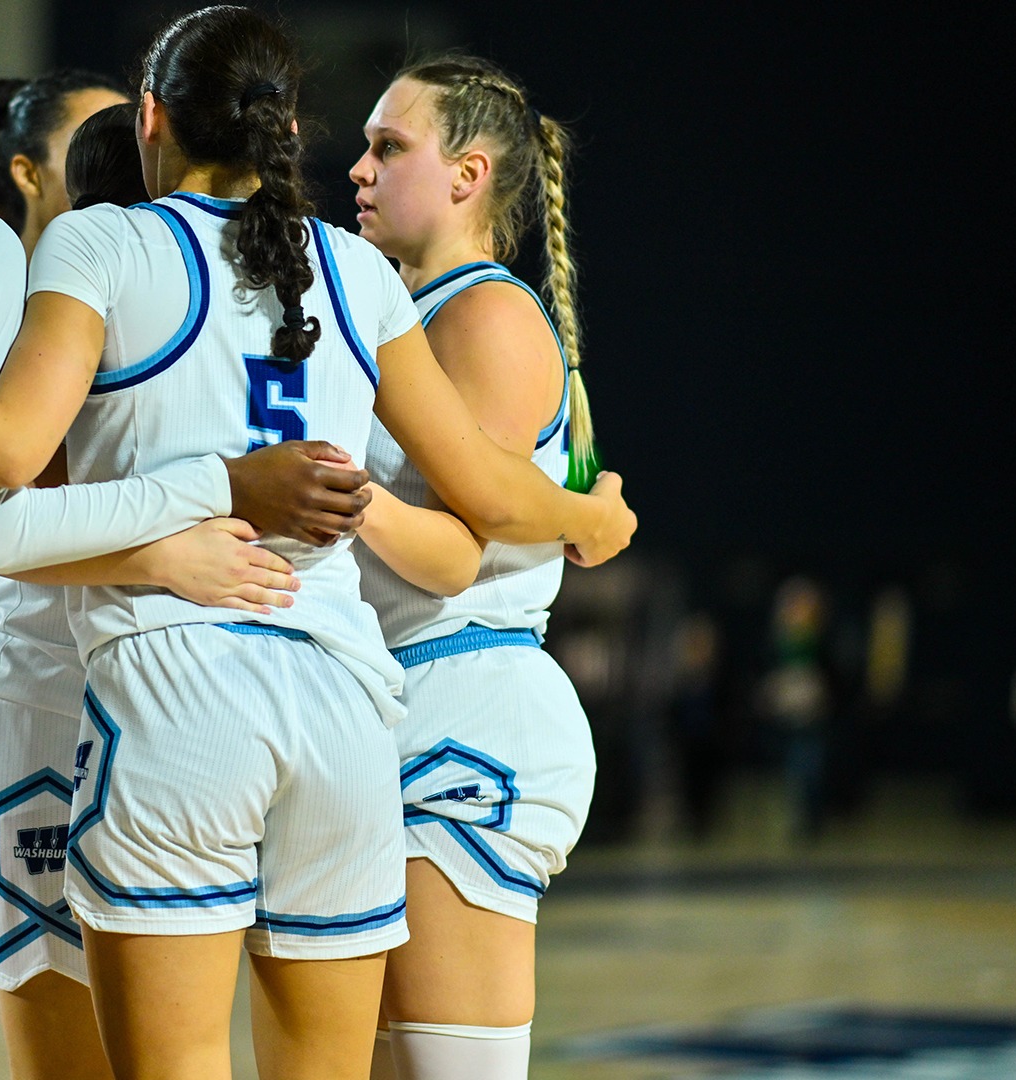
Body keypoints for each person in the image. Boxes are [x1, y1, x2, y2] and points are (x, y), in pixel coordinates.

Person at [0, 8, 635, 1077]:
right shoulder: (355, 277)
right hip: (346, 700)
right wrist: (585, 513)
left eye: (390, 147)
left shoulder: (98, 250)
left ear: (151, 120)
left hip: (172, 688)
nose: (365, 168)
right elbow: (475, 515)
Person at [343, 54, 606, 1078]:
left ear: (469, 175)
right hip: (404, 700)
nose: (358, 169)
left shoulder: (485, 313)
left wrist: (324, 491)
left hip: (469, 703)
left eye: (388, 147)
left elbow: (461, 548)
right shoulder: (415, 310)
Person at [0, 71, 131, 1079]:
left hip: (88, 692)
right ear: (27, 171)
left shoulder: (133, 301)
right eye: (94, 140)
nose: (118, 155)